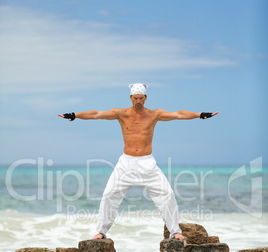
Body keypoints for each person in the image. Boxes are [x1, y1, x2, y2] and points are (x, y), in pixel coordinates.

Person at [58, 83, 218, 240]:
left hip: (147, 163)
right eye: (135, 98)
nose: (138, 101)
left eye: (141, 98)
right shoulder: (121, 114)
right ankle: (101, 231)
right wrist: (75, 115)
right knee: (109, 195)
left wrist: (200, 114)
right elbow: (96, 114)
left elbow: (178, 114)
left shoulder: (154, 114)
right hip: (126, 164)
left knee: (167, 194)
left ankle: (175, 232)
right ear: (130, 98)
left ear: (145, 98)